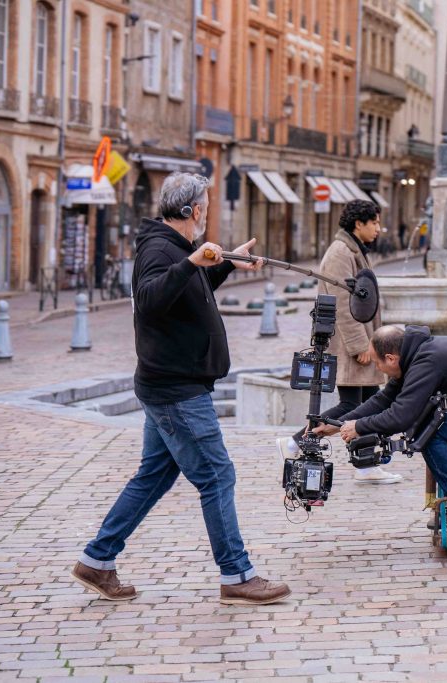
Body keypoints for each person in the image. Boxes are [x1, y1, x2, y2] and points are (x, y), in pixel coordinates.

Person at [72, 172, 291, 605]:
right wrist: (191, 262)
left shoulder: (176, 249)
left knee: (155, 474)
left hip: (170, 384)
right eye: (205, 207)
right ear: (192, 210)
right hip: (176, 389)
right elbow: (152, 299)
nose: (207, 215)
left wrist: (227, 262)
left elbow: (190, 288)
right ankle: (237, 574)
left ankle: (97, 561)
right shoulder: (160, 249)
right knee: (216, 474)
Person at [315, 325, 447, 528]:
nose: (376, 367)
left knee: (429, 434)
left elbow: (401, 417)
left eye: (376, 362)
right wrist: (339, 425)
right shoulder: (415, 354)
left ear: (390, 358)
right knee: (432, 428)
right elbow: (384, 400)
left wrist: (360, 427)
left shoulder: (427, 361)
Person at [277, 200, 402, 484]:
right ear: (359, 224)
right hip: (351, 347)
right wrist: (360, 346)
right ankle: (296, 443)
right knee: (350, 406)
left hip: (362, 344)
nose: (379, 229)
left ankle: (366, 465)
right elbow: (343, 304)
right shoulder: (340, 253)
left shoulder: (353, 249)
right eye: (375, 223)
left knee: (370, 404)